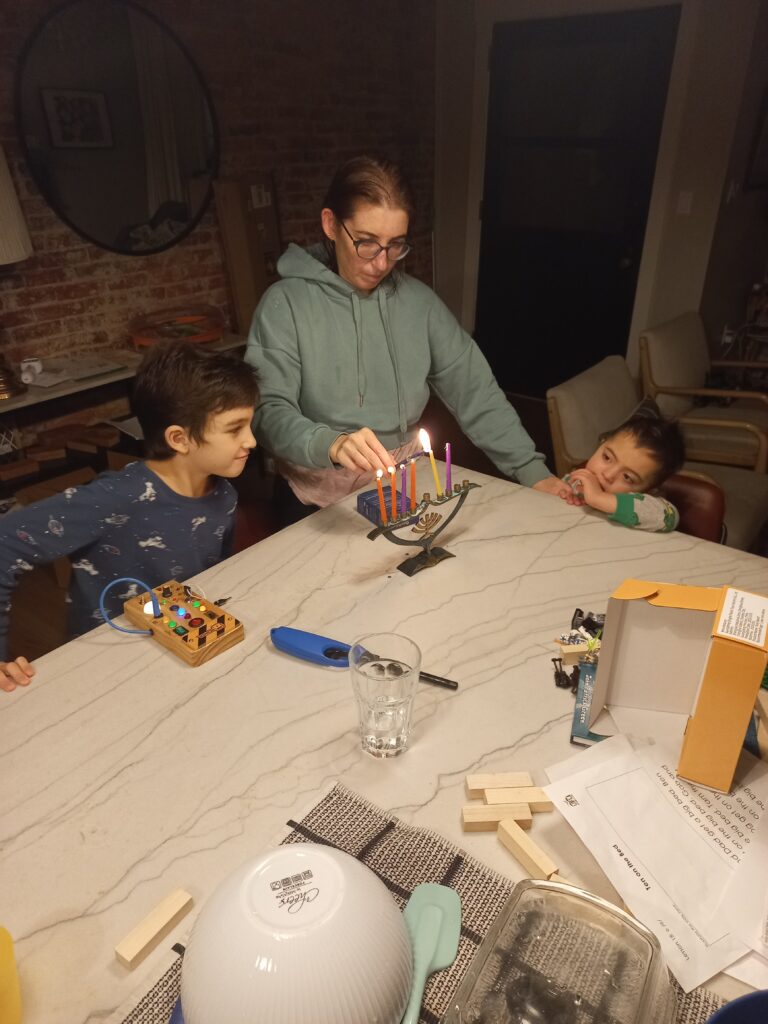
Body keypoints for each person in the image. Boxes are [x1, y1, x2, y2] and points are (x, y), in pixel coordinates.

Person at [246, 155, 571, 521]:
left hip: (402, 483)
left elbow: (475, 391)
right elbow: (267, 411)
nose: (381, 263)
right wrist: (331, 443)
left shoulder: (420, 303)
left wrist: (532, 471)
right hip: (313, 498)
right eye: (367, 243)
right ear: (331, 224)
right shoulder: (285, 305)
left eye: (395, 245)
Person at [0, 342, 259, 694]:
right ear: (179, 439)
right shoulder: (114, 498)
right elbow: (5, 542)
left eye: (250, 425)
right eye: (234, 429)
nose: (251, 441)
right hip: (103, 669)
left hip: (179, 660)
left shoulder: (225, 494)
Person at [564, 411, 685, 532]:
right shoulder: (576, 482)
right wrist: (561, 489)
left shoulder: (648, 506)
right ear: (601, 443)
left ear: (648, 490)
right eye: (607, 457)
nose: (608, 475)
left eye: (627, 477)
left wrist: (598, 498)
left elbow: (669, 517)